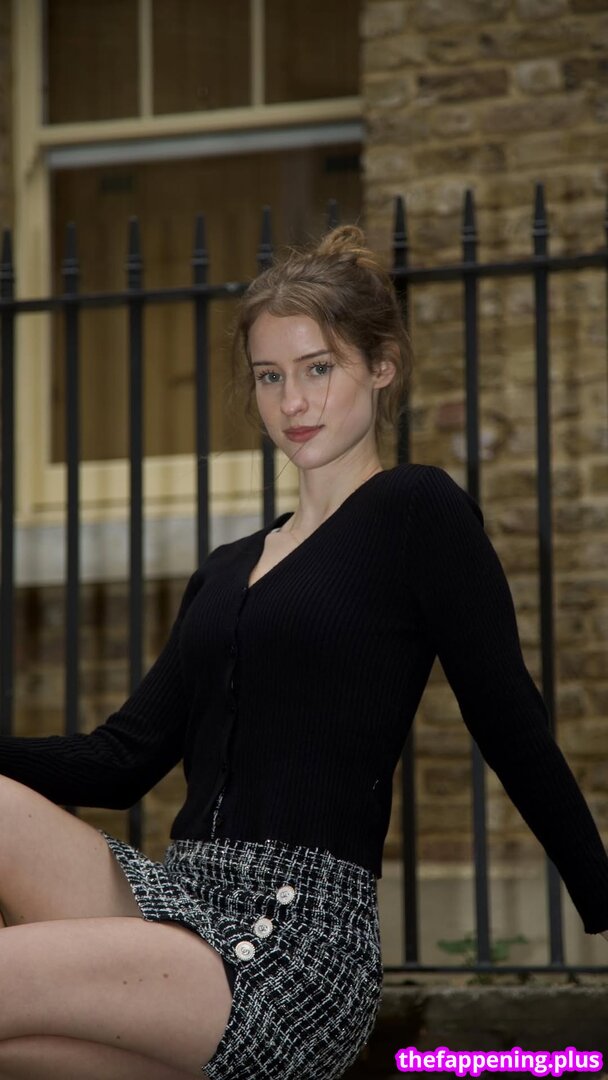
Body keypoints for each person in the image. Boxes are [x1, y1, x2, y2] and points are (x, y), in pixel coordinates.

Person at [0, 224, 607, 1080]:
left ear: (382, 365)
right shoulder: (226, 568)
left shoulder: (415, 511)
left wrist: (600, 893)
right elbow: (121, 759)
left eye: (319, 368)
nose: (293, 402)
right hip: (181, 903)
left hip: (294, 946)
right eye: (270, 376)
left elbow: (509, 720)